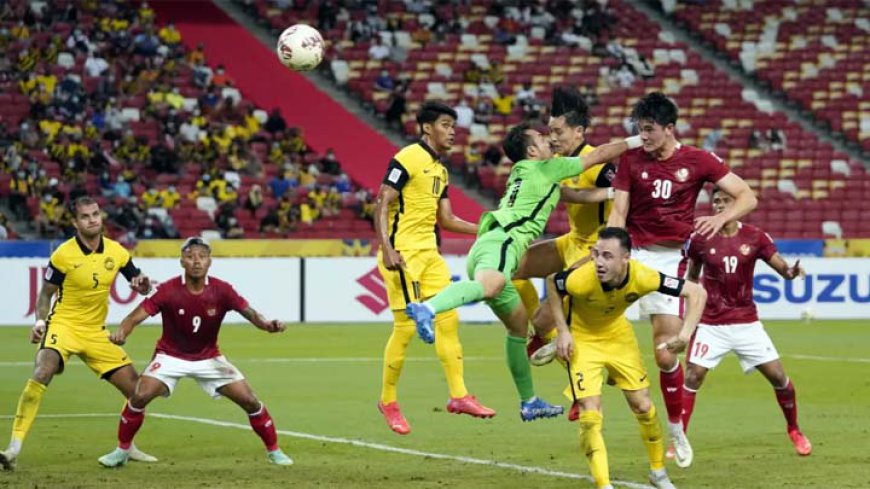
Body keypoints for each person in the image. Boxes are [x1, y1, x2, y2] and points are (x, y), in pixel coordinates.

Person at [406, 121, 638, 421]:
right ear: (531, 150)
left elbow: (570, 196)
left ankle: (529, 401)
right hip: (504, 242)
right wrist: (637, 141)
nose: (548, 141)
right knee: (488, 286)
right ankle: (428, 308)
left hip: (488, 244)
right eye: (542, 138)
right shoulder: (544, 168)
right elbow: (599, 154)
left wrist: (612, 194)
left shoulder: (527, 174)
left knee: (518, 327)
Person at [606, 92, 757, 467]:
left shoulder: (699, 160)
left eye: (649, 130)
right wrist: (610, 250)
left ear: (669, 128)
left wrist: (720, 219)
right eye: (639, 130)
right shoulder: (631, 160)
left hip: (672, 259)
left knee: (664, 351)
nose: (644, 137)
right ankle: (583, 399)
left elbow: (746, 196)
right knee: (597, 334)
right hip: (632, 254)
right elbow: (618, 209)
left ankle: (676, 427)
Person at [97, 237, 293, 467]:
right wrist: (123, 331)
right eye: (190, 257)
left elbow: (250, 313)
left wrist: (267, 325)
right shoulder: (168, 290)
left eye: (202, 256)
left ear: (210, 261)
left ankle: (274, 451)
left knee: (250, 401)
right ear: (182, 262)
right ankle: (122, 450)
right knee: (139, 396)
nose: (196, 262)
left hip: (209, 357)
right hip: (170, 356)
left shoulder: (222, 290)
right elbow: (134, 317)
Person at [543, 227, 706, 489]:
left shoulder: (644, 276)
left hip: (618, 337)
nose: (599, 262)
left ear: (626, 258)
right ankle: (603, 484)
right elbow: (553, 282)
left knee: (643, 407)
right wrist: (562, 331)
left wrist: (685, 335)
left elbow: (697, 293)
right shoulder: (579, 279)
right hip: (583, 341)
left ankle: (658, 473)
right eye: (596, 254)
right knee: (590, 415)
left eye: (607, 256)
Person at [0, 197, 156, 471]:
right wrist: (40, 322)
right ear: (75, 222)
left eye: (96, 214)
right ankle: (13, 449)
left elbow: (139, 283)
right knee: (43, 371)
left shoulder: (117, 251)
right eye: (85, 216)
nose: (93, 219)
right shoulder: (63, 254)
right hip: (64, 326)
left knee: (139, 391)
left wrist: (142, 285)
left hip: (96, 332)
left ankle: (127, 446)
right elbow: (45, 295)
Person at [375, 101, 493, 435]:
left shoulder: (440, 170)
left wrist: (485, 228)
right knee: (406, 328)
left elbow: (447, 220)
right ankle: (388, 401)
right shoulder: (408, 157)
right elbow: (381, 202)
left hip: (430, 255)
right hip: (404, 255)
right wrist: (387, 248)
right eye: (445, 124)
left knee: (449, 318)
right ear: (427, 127)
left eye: (454, 125)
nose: (452, 131)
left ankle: (459, 395)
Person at [681, 188, 812, 458]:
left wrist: (792, 271)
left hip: (746, 322)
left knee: (778, 376)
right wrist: (688, 317)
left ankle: (794, 430)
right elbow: (692, 279)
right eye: (715, 200)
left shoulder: (755, 236)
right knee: (693, 375)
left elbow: (783, 270)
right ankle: (678, 439)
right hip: (711, 323)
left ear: (737, 205)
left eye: (725, 200)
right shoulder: (700, 238)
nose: (718, 205)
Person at [511, 87, 616, 357]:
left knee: (551, 322)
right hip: (571, 240)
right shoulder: (555, 161)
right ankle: (538, 330)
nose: (552, 138)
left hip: (593, 248)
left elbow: (626, 199)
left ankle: (582, 392)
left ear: (579, 132)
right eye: (550, 132)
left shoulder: (600, 164)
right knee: (509, 267)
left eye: (558, 132)